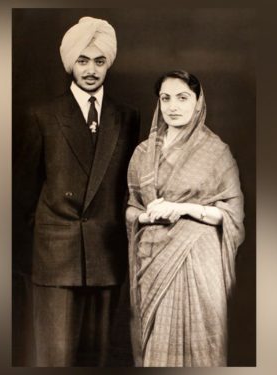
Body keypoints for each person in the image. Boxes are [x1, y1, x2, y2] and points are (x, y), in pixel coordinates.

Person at [12, 16, 140, 366]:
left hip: (106, 256)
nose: (91, 70)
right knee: (55, 359)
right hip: (53, 257)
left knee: (96, 358)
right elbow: (22, 195)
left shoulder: (126, 118)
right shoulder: (42, 115)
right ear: (70, 62)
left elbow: (127, 188)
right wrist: (32, 257)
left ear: (108, 63)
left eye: (99, 61)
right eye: (82, 60)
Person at [125, 70, 244, 366]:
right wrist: (144, 218)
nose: (173, 106)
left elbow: (233, 215)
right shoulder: (142, 153)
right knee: (156, 343)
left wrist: (185, 209)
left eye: (182, 98)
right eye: (166, 98)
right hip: (153, 259)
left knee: (202, 341)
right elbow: (130, 208)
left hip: (198, 262)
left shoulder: (216, 152)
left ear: (197, 103)